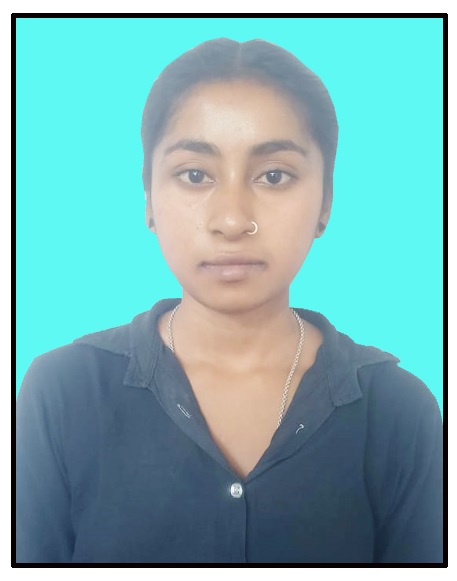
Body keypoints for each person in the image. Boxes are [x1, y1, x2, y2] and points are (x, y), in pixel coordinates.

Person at [16, 38, 443, 564]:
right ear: (148, 197)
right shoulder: (62, 393)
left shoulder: (399, 412)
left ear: (325, 201)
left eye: (274, 176)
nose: (233, 220)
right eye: (195, 175)